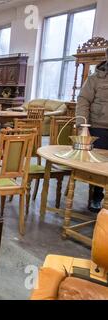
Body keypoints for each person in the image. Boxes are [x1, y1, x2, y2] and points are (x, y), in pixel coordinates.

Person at [76, 47, 108, 213]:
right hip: (99, 127)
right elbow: (83, 101)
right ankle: (97, 195)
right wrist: (83, 127)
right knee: (98, 165)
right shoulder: (95, 78)